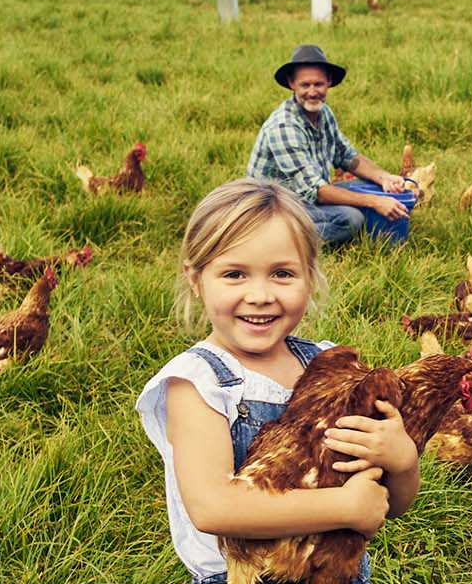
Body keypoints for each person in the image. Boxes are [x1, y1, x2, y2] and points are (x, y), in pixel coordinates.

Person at [135, 179, 418, 584]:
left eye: (282, 273)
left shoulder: (330, 366)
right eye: (234, 274)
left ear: (310, 275)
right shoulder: (198, 383)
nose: (260, 294)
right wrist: (343, 507)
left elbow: (389, 504)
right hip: (246, 575)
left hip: (337, 569)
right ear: (196, 280)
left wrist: (402, 459)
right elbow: (213, 508)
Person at [248, 44, 410, 246]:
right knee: (351, 219)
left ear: (329, 83)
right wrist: (375, 201)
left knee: (369, 187)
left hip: (307, 198)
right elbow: (317, 192)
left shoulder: (324, 114)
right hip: (274, 207)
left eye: (319, 84)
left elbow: (348, 157)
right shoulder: (284, 126)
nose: (313, 92)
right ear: (292, 84)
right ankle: (273, 240)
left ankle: (369, 233)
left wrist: (384, 178)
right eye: (305, 85)